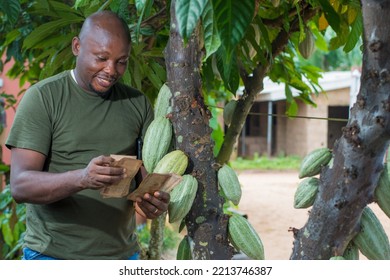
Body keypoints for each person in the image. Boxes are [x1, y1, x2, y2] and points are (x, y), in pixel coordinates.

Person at [5, 10, 170, 260]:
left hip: (122, 256)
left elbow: (147, 181)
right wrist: (82, 178)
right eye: (101, 58)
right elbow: (20, 186)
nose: (111, 70)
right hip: (53, 257)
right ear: (76, 46)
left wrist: (153, 202)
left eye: (121, 61)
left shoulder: (137, 103)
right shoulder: (43, 98)